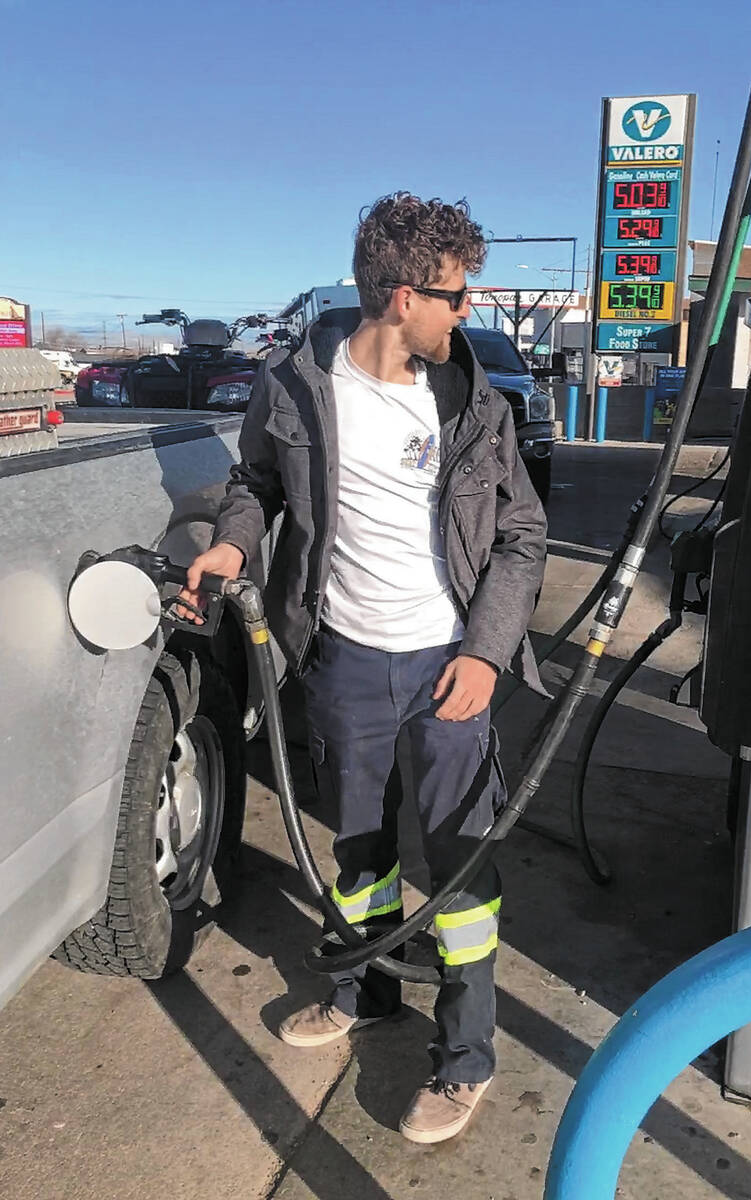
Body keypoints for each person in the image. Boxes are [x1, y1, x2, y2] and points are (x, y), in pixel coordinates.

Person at [181, 193, 547, 1144]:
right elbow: (255, 485)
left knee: (462, 866)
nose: (468, 315)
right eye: (456, 299)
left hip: (448, 666)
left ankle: (465, 1058)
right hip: (341, 659)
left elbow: (520, 534)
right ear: (397, 296)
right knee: (356, 852)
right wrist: (230, 546)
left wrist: (485, 654)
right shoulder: (294, 386)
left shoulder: (475, 405)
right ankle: (362, 991)